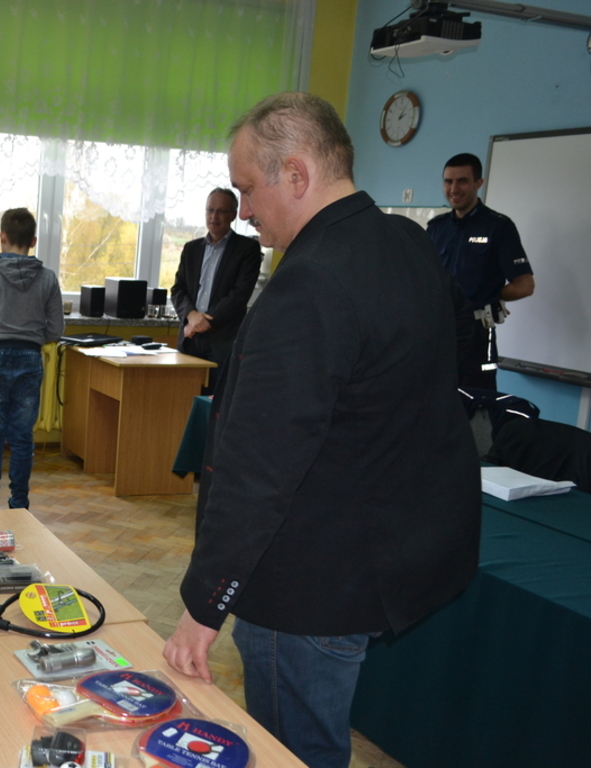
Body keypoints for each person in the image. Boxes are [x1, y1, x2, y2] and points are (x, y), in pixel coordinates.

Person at [162, 93, 480, 768]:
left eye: (248, 189)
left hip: (309, 583)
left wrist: (203, 606)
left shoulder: (308, 285)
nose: (242, 209)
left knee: (295, 750)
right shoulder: (404, 241)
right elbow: (453, 361)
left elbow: (259, 469)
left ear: (297, 174)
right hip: (385, 553)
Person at [0, 208, 63, 511]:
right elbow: (56, 329)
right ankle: (19, 503)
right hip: (30, 358)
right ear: (33, 241)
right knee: (22, 437)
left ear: (2, 237)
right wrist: (32, 334)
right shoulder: (48, 278)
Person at [427, 153, 534, 390]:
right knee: (434, 396)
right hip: (438, 329)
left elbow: (525, 285)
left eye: (462, 181)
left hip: (476, 333)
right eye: (448, 181)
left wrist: (490, 295)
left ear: (478, 183)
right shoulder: (436, 228)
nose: (454, 188)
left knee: (477, 400)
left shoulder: (499, 226)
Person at [170, 187, 263, 389]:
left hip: (222, 343)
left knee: (214, 403)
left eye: (221, 211)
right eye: (210, 210)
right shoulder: (191, 249)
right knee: (182, 400)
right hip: (189, 339)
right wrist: (191, 316)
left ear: (232, 215)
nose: (214, 216)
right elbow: (178, 290)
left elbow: (239, 295)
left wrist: (204, 321)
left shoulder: (247, 249)